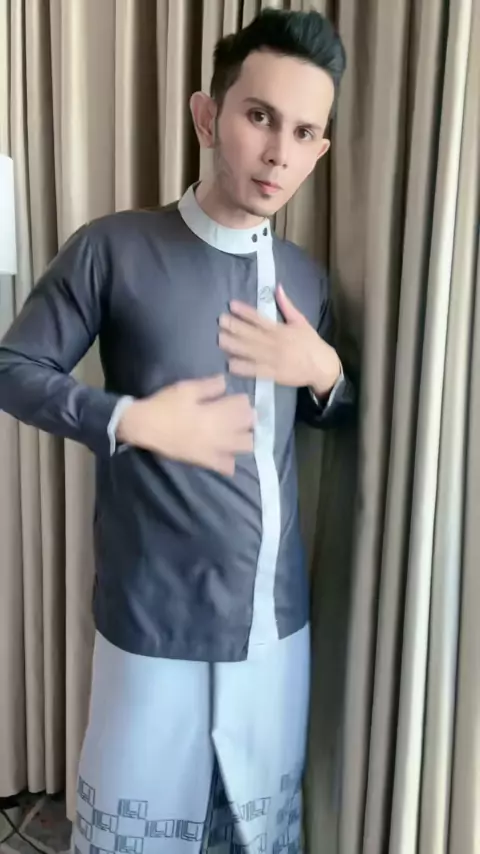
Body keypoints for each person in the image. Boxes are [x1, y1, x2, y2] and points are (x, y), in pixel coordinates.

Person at [0, 8, 354, 854]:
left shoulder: (307, 282)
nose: (278, 152)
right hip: (149, 612)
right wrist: (128, 417)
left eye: (304, 132)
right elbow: (14, 368)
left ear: (320, 151)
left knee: (253, 833)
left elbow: (333, 417)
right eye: (259, 116)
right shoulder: (113, 249)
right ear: (207, 116)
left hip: (273, 618)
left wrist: (326, 373)